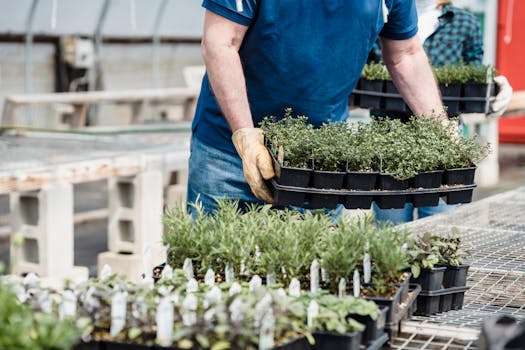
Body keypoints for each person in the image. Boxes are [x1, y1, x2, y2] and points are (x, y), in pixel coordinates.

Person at [188, 0, 450, 214]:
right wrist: (245, 135)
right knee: (217, 267)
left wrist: (440, 126)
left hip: (319, 166)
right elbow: (220, 43)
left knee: (311, 272)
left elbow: (406, 54)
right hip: (227, 156)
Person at [372, 0, 513, 224]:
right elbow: (364, 70)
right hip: (388, 142)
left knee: (439, 230)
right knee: (391, 231)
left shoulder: (464, 22)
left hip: (444, 143)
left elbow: (472, 73)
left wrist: (492, 84)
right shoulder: (381, 16)